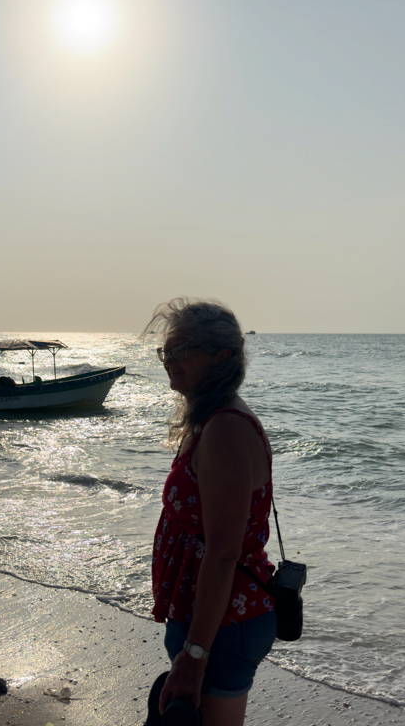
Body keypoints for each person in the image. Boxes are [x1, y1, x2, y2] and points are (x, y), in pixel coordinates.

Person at [146, 298, 276, 726]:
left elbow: (223, 552)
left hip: (224, 621)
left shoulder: (226, 428)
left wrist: (195, 654)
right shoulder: (210, 419)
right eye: (167, 350)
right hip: (210, 615)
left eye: (183, 350)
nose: (170, 361)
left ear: (223, 357)